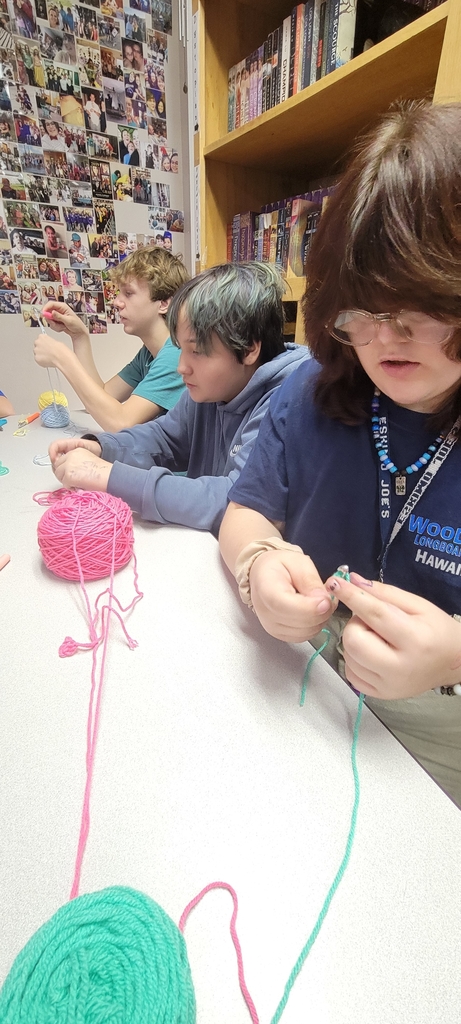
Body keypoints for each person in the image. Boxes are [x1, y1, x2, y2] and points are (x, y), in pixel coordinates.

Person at [219, 102, 461, 809]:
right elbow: (245, 512)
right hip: (312, 699)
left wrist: (453, 654)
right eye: (362, 307)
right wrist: (257, 563)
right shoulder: (311, 394)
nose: (388, 337)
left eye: (422, 304)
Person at [46, 262, 309, 535]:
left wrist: (108, 476)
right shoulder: (210, 389)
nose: (182, 366)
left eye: (196, 351)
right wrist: (103, 448)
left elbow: (235, 502)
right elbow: (165, 438)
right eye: (180, 349)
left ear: (249, 348)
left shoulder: (286, 401)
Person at [34, 246, 190, 431]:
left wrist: (63, 359)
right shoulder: (149, 354)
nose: (116, 302)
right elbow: (104, 396)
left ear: (164, 303)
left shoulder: (176, 355)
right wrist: (79, 336)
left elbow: (120, 422)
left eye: (128, 293)